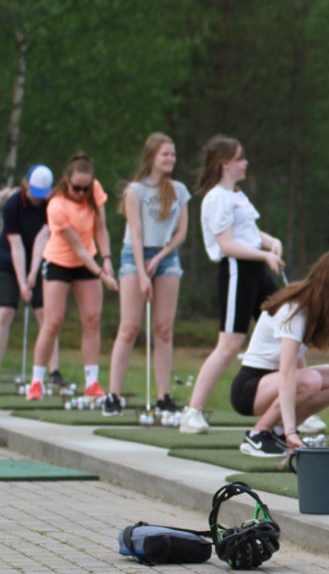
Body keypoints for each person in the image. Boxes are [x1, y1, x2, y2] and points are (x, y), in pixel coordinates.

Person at [179, 135, 290, 434]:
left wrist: (272, 242)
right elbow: (227, 244)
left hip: (258, 269)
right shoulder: (216, 197)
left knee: (287, 331)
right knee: (229, 345)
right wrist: (265, 255)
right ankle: (192, 412)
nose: (245, 163)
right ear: (225, 163)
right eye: (240, 158)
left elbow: (251, 233)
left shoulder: (237, 195)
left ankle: (296, 406)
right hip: (237, 271)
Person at [231, 250, 329, 457]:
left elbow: (297, 359)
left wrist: (293, 419)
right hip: (249, 388)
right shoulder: (294, 310)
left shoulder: (310, 310)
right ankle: (258, 434)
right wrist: (292, 429)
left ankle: (279, 434)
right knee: (311, 381)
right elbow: (287, 373)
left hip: (270, 383)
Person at [106, 134, 191, 414]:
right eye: (165, 154)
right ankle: (113, 395)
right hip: (135, 255)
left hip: (166, 256)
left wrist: (161, 257)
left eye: (173, 154)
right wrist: (142, 274)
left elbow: (181, 233)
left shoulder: (179, 190)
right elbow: (137, 232)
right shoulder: (136, 191)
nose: (170, 159)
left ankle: (163, 396)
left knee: (164, 329)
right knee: (129, 327)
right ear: (152, 157)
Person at [27, 153, 119, 403]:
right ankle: (36, 381)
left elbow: (101, 228)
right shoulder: (56, 205)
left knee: (92, 318)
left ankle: (92, 382)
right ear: (67, 181)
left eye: (85, 188)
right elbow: (77, 247)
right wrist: (102, 274)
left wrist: (107, 258)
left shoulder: (94, 190)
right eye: (76, 188)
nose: (81, 193)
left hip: (87, 260)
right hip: (59, 261)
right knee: (53, 321)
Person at [0, 164, 62, 383]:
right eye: (35, 192)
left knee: (46, 315)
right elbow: (16, 245)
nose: (37, 198)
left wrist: (33, 273)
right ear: (25, 184)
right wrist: (22, 283)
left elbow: (42, 239)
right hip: (9, 261)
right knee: (4, 313)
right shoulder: (12, 204)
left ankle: (53, 371)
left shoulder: (51, 204)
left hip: (41, 258)